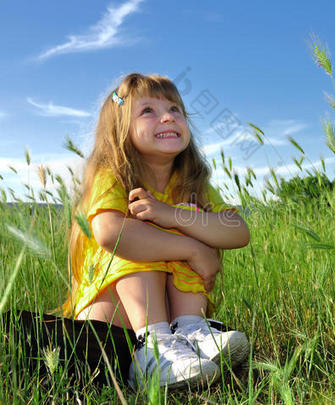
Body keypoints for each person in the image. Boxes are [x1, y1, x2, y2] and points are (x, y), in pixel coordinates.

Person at [61, 73, 251, 389]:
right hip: (112, 315)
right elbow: (110, 233)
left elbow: (238, 232)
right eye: (148, 110)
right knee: (138, 231)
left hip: (174, 313)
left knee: (194, 222)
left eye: (175, 109)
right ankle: (153, 349)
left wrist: (174, 215)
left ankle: (192, 331)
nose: (167, 116)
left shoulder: (190, 185)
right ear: (119, 128)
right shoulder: (113, 176)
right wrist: (192, 249)